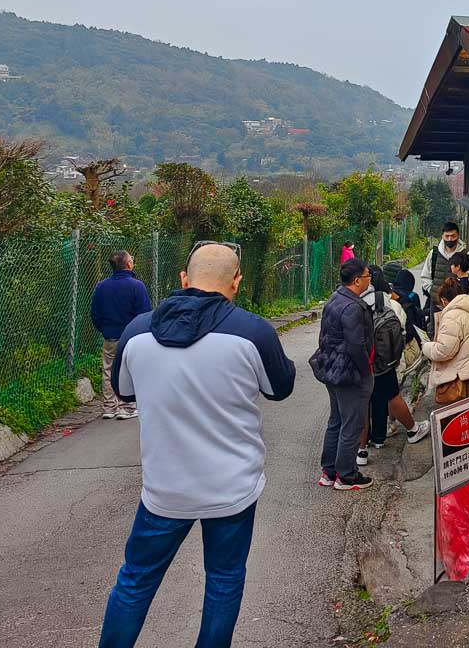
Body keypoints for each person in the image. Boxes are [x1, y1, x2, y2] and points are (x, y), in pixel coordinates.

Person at [99, 243, 296, 648]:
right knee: (223, 582)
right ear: (236, 282)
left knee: (134, 581)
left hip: (164, 491)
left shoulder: (138, 332)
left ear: (184, 279)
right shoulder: (253, 332)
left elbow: (123, 390)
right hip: (232, 489)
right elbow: (280, 389)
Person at [314, 258, 376, 491]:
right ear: (358, 280)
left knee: (336, 420)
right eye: (368, 276)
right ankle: (347, 475)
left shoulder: (335, 298)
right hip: (350, 373)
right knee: (352, 423)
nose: (370, 280)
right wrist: (365, 371)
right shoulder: (353, 307)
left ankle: (329, 471)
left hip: (331, 369)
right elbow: (356, 345)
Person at [357, 266, 429, 463]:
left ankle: (361, 451)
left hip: (361, 361)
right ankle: (411, 430)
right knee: (392, 396)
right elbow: (401, 332)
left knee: (363, 403)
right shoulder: (390, 303)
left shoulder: (355, 301)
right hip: (385, 362)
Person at [89, 249, 153, 420]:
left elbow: (95, 313)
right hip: (131, 338)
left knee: (108, 370)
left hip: (110, 336)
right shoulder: (137, 286)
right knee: (130, 369)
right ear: (128, 264)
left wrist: (104, 329)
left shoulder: (102, 286)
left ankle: (109, 407)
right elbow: (145, 313)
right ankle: (127, 406)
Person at [421, 277, 469, 404]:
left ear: (443, 301)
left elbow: (444, 351)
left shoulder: (452, 316)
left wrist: (426, 346)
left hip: (466, 380)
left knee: (463, 419)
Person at [417, 221, 469, 309]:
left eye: (453, 236)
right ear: (442, 236)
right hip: (436, 304)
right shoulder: (434, 254)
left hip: (458, 307)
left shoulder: (465, 255)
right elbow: (425, 276)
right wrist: (433, 292)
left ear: (458, 236)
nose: (450, 239)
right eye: (447, 236)